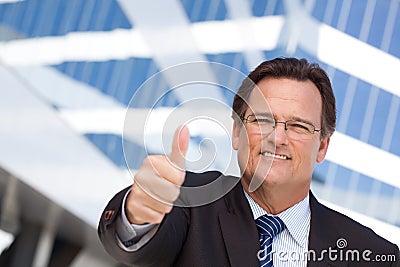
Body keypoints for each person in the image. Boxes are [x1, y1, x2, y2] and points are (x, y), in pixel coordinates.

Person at [98, 58, 399, 266]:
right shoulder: (189, 201)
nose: (277, 138)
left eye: (298, 126)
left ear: (322, 147)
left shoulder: (373, 255)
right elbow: (133, 246)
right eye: (262, 120)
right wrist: (139, 215)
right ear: (236, 133)